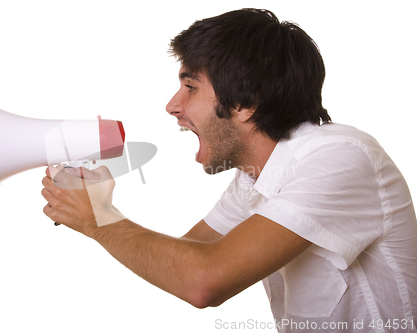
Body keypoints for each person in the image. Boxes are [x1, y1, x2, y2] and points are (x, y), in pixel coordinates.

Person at [41, 8, 417, 332]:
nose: (172, 105)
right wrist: (93, 207)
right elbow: (186, 256)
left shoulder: (339, 156)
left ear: (246, 102)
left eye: (190, 86)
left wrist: (100, 218)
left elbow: (203, 281)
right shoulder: (256, 175)